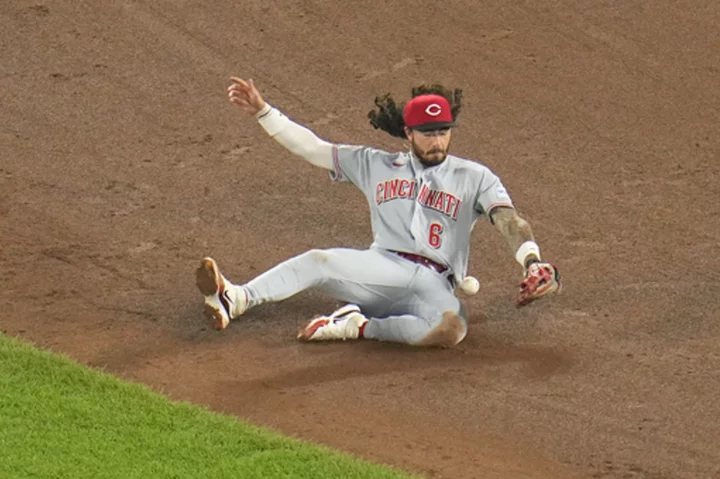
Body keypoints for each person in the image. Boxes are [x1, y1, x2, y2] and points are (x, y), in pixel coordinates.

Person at [195, 78, 561, 347]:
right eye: (427, 132)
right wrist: (264, 112)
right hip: (383, 269)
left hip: (435, 284)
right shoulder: (376, 164)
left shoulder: (475, 176)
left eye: (444, 131)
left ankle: (356, 325)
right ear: (408, 132)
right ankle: (236, 298)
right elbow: (313, 149)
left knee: (452, 331)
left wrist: (532, 261)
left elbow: (509, 220)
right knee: (319, 260)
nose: (437, 140)